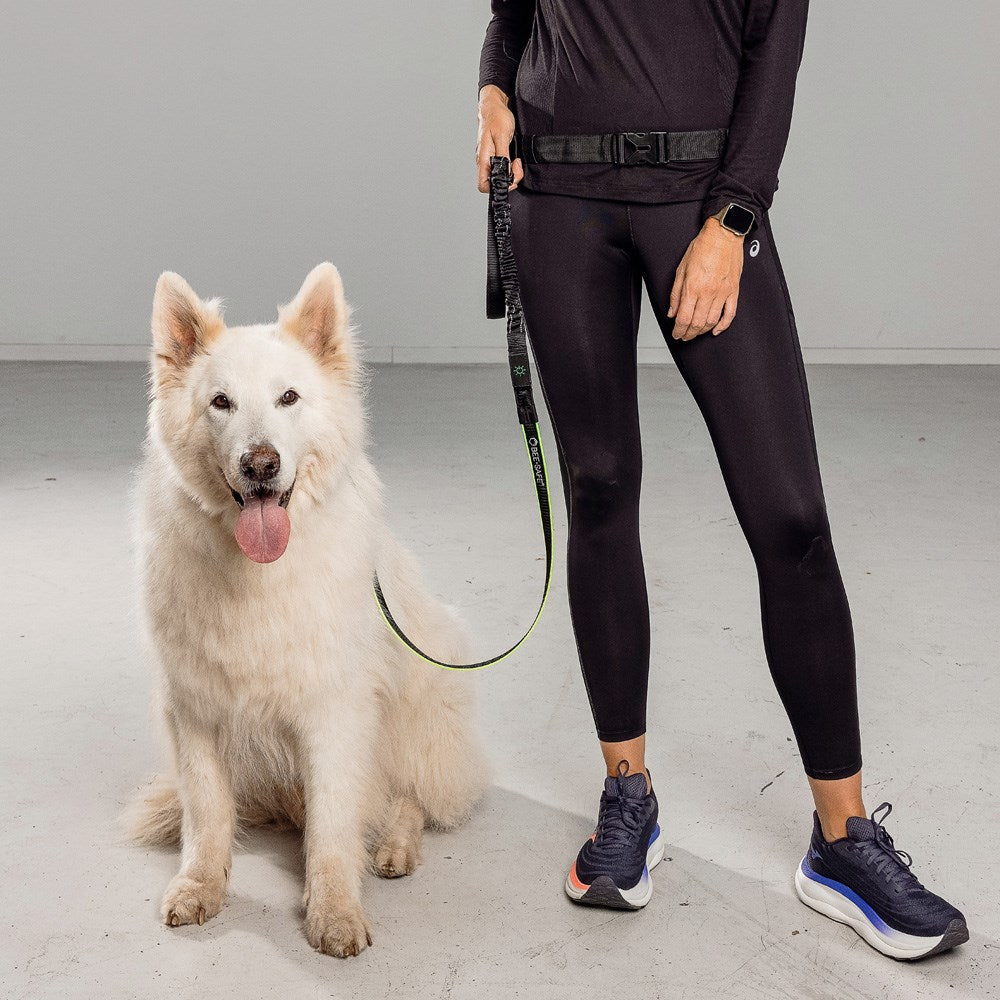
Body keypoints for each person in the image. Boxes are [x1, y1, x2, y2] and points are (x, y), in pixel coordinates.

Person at [475, 0, 967, 960]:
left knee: (791, 520)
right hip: (558, 199)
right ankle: (628, 795)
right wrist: (492, 94)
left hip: (698, 200)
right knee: (600, 489)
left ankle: (842, 840)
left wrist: (733, 216)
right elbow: (510, 17)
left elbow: (773, 52)